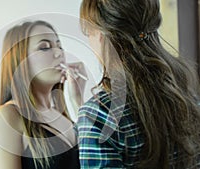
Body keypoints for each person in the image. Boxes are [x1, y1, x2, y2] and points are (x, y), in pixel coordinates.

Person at [77, 0, 200, 168]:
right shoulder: (187, 96)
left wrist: (84, 114)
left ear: (100, 35)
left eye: (88, 33)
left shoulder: (99, 114)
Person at [0, 20, 83, 169]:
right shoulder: (8, 116)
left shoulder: (65, 118)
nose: (59, 53)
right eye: (44, 47)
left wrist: (78, 101)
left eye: (59, 46)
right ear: (20, 60)